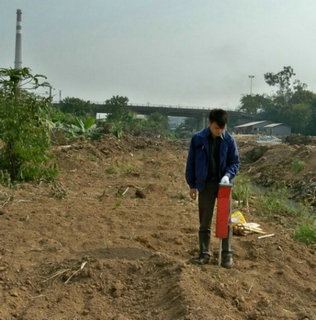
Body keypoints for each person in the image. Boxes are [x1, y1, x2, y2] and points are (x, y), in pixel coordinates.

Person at [185, 109, 239, 268]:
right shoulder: (198, 139)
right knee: (204, 221)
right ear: (209, 124)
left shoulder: (229, 140)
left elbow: (234, 162)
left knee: (225, 220)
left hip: (223, 185)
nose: (219, 131)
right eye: (216, 128)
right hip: (205, 184)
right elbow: (191, 163)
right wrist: (192, 185)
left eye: (222, 128)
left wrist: (228, 175)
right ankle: (204, 253)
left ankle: (226, 255)